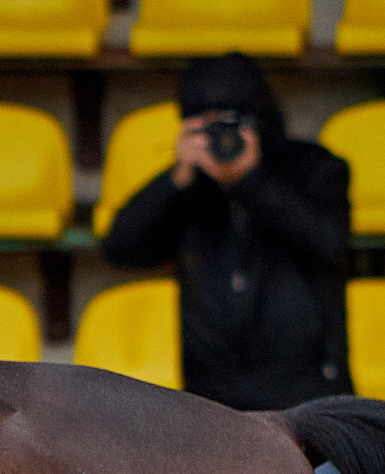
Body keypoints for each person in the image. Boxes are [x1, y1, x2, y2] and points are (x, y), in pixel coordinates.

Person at [102, 53, 354, 412]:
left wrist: (250, 183)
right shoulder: (190, 187)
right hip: (212, 395)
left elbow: (327, 241)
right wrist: (177, 179)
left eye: (232, 123)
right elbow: (120, 248)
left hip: (306, 389)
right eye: (208, 127)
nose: (224, 139)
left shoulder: (315, 169)